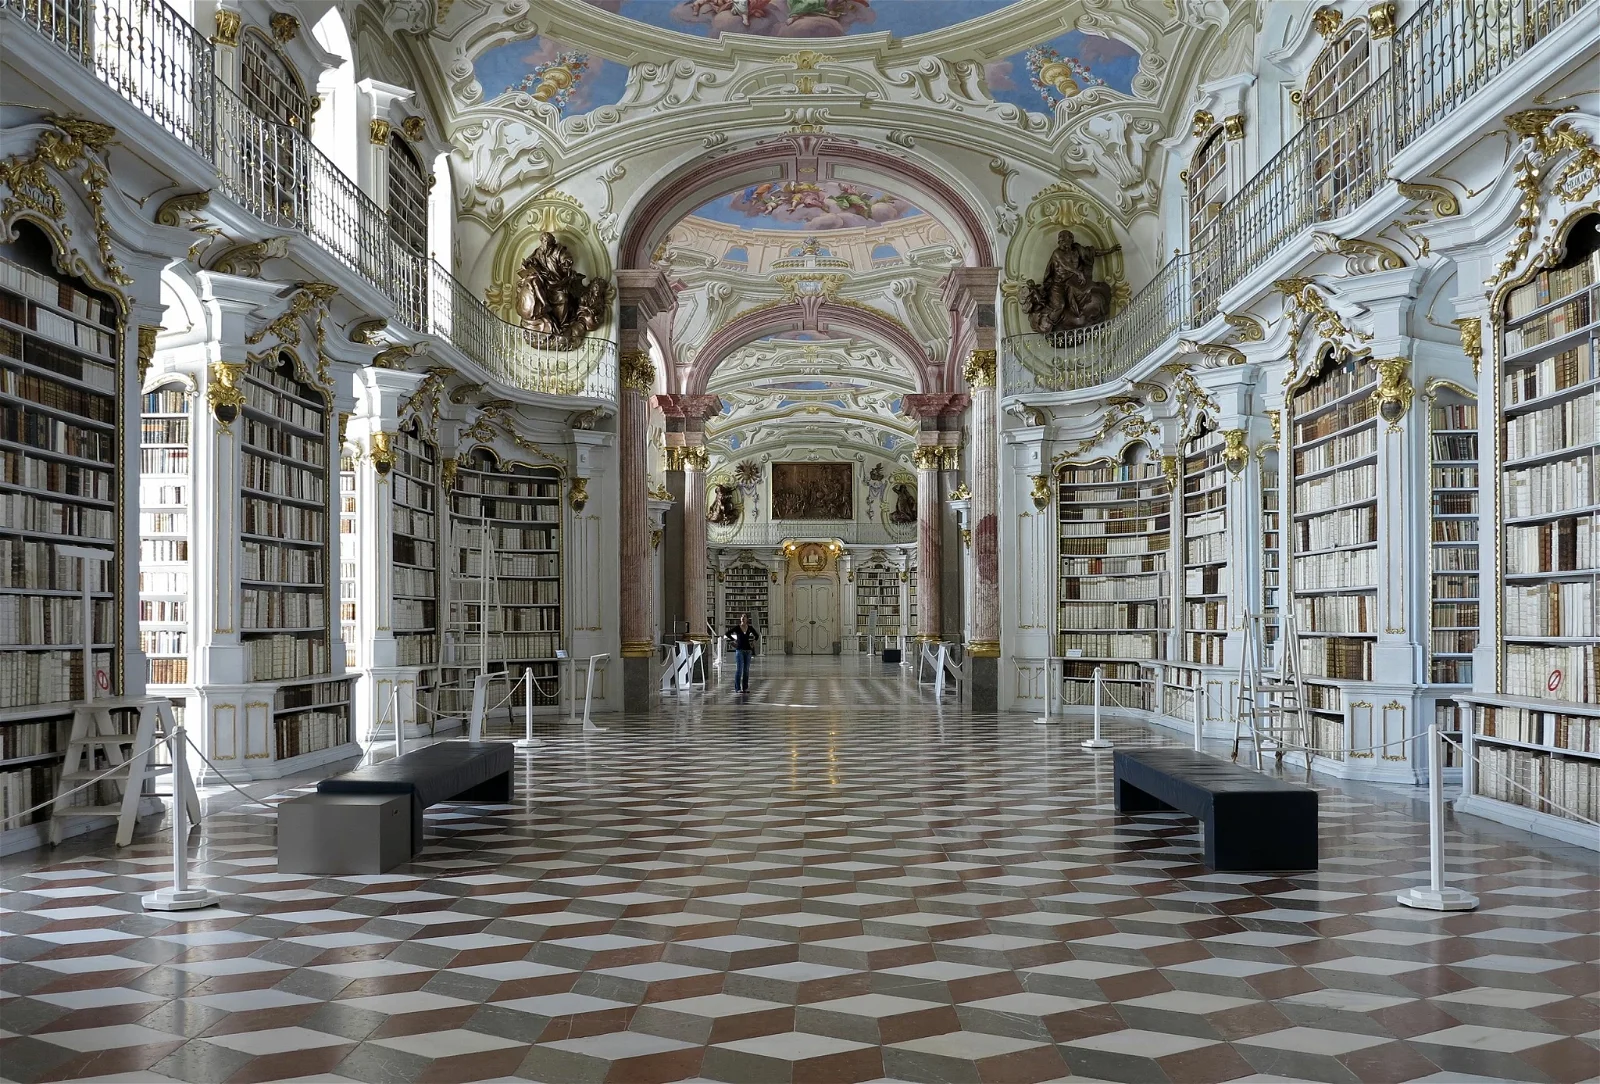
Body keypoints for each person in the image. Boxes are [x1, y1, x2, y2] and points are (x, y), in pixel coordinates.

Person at [727, 613, 758, 692]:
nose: (743, 618)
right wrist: (734, 641)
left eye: (745, 617)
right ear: (740, 619)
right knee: (739, 669)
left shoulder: (750, 628)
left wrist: (753, 642)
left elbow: (757, 635)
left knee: (746, 670)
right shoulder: (737, 628)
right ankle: (737, 688)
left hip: (748, 650)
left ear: (747, 619)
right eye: (742, 616)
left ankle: (745, 688)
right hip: (739, 650)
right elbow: (727, 634)